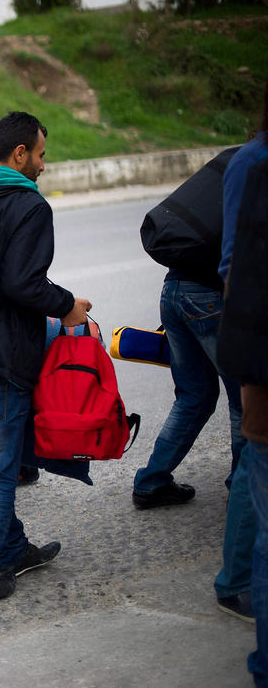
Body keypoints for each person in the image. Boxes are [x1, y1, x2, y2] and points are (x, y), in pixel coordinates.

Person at [0, 111, 91, 609]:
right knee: (1, 479)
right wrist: (68, 306)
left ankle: (14, 549)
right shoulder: (27, 205)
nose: (45, 166)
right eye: (42, 154)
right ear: (21, 153)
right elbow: (22, 285)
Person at [131, 165, 248, 511]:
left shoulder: (229, 167)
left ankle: (151, 481)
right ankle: (242, 490)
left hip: (174, 290)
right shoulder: (254, 170)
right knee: (246, 398)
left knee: (194, 396)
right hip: (210, 297)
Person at [217, 80, 268, 674]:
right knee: (251, 456)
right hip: (257, 355)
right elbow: (236, 266)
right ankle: (234, 579)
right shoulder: (253, 164)